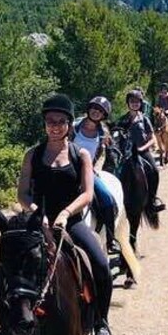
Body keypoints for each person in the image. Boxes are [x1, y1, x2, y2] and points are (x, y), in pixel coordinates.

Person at [17, 94, 112, 335]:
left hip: (72, 222)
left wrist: (65, 213)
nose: (55, 125)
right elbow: (22, 193)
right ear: (44, 123)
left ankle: (101, 322)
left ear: (70, 124)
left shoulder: (80, 154)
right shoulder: (32, 155)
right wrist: (37, 212)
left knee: (101, 265)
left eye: (61, 121)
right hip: (39, 223)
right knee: (11, 265)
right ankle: (8, 325)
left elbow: (88, 194)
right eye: (50, 121)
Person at [74, 96, 119, 254]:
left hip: (88, 171)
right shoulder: (74, 126)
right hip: (66, 167)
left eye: (100, 111)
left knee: (106, 197)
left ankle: (111, 239)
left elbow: (103, 155)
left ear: (104, 115)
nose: (96, 112)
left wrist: (94, 170)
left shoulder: (103, 133)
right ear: (89, 108)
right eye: (94, 108)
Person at [118, 89, 166, 212]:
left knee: (154, 171)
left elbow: (152, 139)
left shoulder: (144, 119)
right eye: (132, 101)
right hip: (127, 154)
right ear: (127, 103)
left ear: (140, 103)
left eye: (137, 101)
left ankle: (152, 199)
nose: (134, 104)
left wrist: (142, 149)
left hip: (143, 152)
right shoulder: (122, 120)